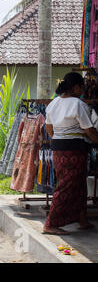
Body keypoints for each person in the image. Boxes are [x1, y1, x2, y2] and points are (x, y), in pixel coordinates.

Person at [43, 72, 98, 235]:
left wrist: (59, 138)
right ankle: (50, 223)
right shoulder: (78, 104)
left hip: (58, 148)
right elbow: (89, 130)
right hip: (74, 149)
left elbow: (48, 127)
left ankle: (82, 219)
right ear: (75, 87)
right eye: (81, 87)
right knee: (67, 186)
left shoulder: (53, 104)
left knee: (78, 184)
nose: (82, 90)